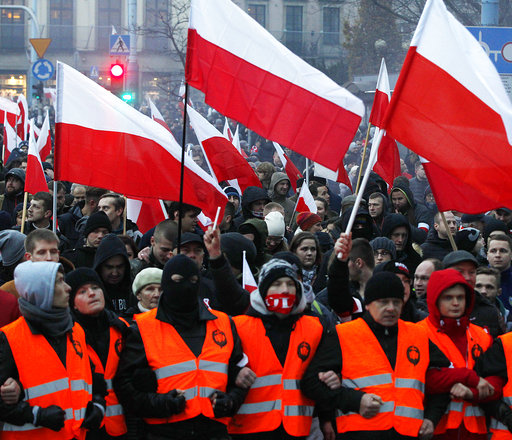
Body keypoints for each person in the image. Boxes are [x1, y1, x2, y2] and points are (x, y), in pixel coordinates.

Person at [302, 271, 452, 440]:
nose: (391, 308)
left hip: (409, 433)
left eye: (396, 302)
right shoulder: (343, 335)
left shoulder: (418, 335)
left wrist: (432, 418)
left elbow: (445, 379)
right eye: (383, 302)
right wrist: (354, 400)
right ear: (368, 304)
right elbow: (310, 383)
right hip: (358, 433)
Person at [113, 255, 248, 440]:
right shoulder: (142, 328)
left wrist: (231, 400)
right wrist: (159, 404)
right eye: (177, 281)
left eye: (193, 281)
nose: (186, 287)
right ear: (167, 284)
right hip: (164, 432)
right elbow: (124, 385)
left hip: (214, 431)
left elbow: (240, 374)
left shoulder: (223, 323)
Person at [0, 261, 105, 438]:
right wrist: (35, 415)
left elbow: (93, 379)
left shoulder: (75, 330)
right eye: (59, 281)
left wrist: (98, 405)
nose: (68, 288)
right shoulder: (9, 337)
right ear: (40, 289)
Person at [228, 258, 326, 440]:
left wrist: (326, 418)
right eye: (277, 284)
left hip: (298, 430)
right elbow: (220, 367)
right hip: (249, 430)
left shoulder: (315, 327)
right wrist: (235, 373)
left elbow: (322, 377)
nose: (285, 290)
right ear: (263, 290)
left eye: (290, 284)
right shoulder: (238, 326)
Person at [418, 268, 499, 439]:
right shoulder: (418, 332)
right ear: (435, 299)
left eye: (460, 297)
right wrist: (467, 378)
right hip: (435, 427)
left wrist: (472, 393)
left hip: (476, 430)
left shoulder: (482, 336)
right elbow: (420, 378)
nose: (456, 303)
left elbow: (496, 380)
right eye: (448, 298)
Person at [66, 267, 129, 439]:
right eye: (82, 291)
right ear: (73, 304)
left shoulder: (123, 327)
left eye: (95, 288)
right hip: (86, 428)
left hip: (124, 426)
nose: (92, 294)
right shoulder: (67, 337)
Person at [93, 233, 134, 314]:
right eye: (109, 267)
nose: (115, 273)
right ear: (100, 266)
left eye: (119, 267)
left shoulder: (134, 290)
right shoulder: (91, 293)